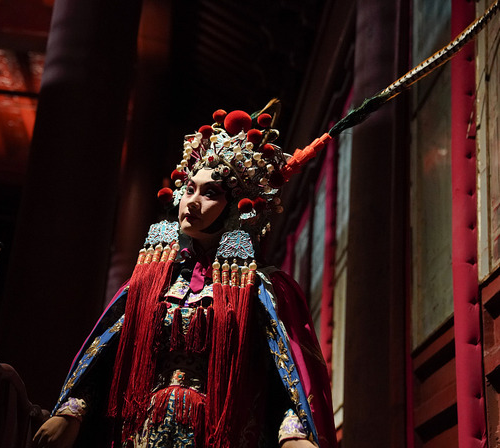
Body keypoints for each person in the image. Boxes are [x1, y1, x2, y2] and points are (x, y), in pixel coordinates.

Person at [32, 103, 337, 448]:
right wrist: (71, 412)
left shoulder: (262, 288)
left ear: (240, 204)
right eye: (189, 189)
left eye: (211, 194)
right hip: (141, 433)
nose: (192, 202)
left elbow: (285, 377)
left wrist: (293, 436)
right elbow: (106, 359)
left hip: (220, 434)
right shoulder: (150, 281)